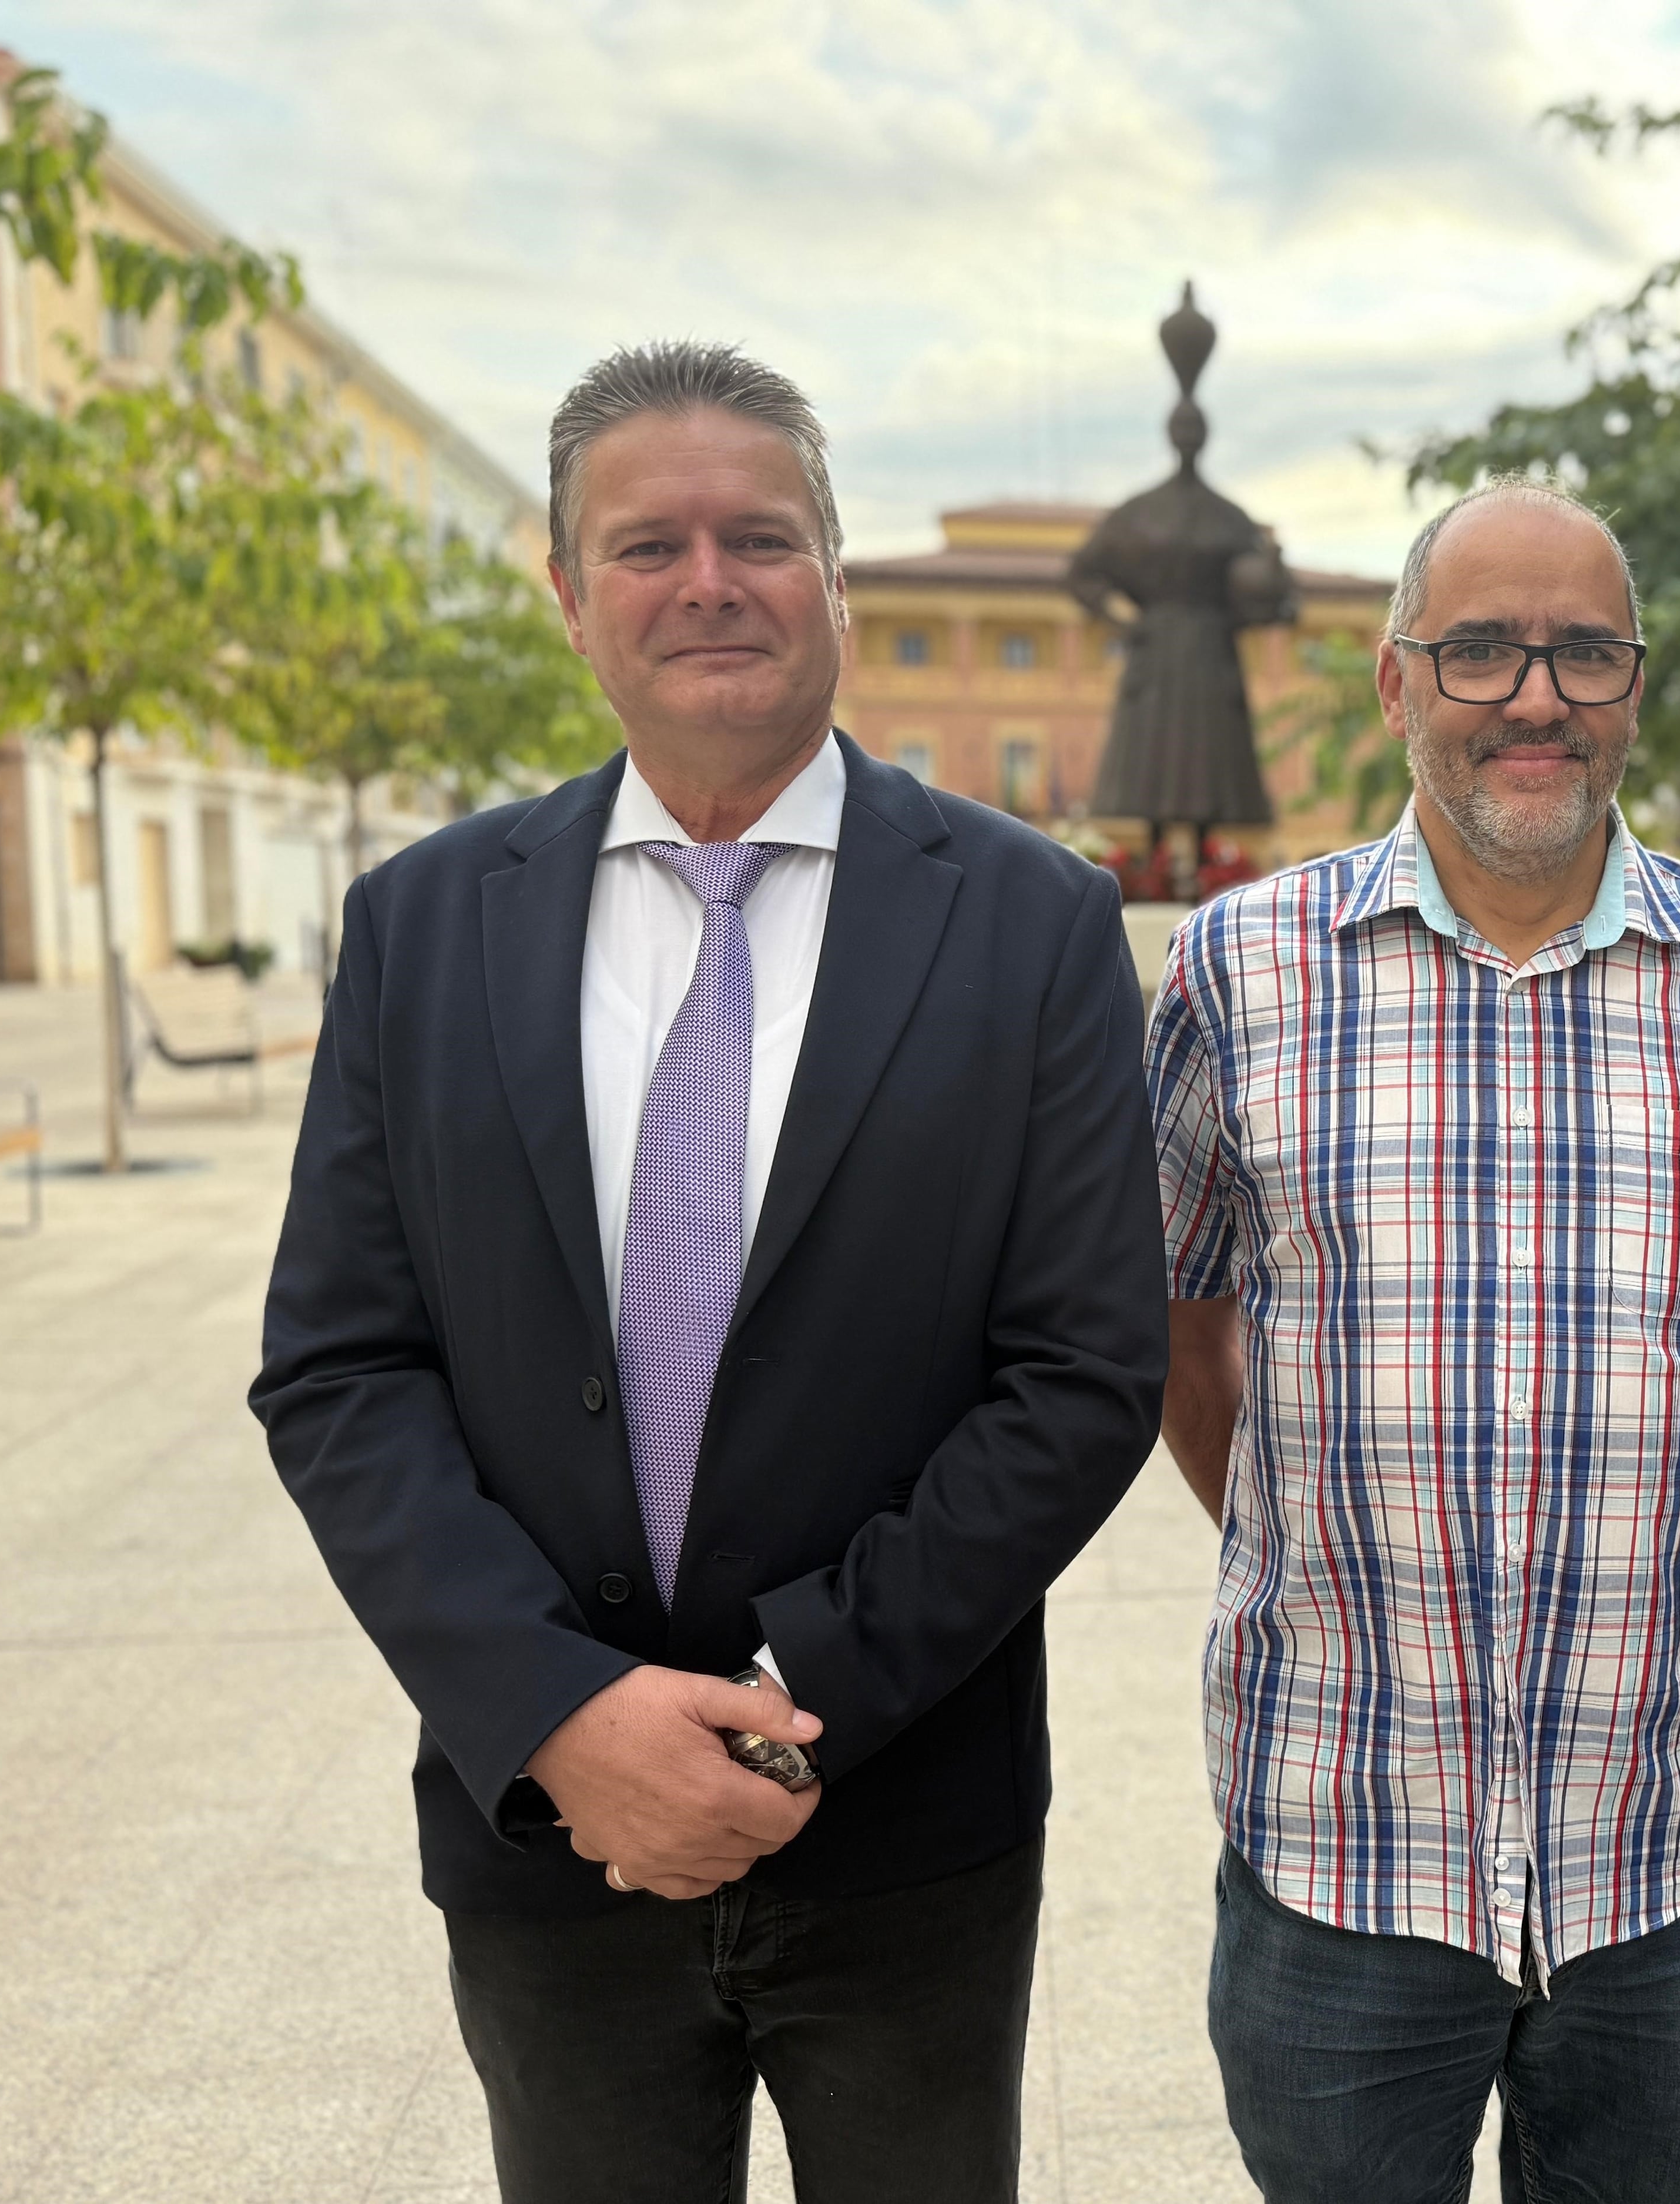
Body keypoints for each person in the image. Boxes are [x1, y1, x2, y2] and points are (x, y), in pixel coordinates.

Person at [250, 341, 1166, 2203]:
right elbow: (341, 1364)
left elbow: (1083, 1370)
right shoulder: (425, 925)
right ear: (570, 596)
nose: (708, 580)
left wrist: (787, 1693)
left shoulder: (1032, 919)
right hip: (543, 1833)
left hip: (904, 1829)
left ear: (834, 571)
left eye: (760, 534)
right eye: (646, 542)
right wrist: (564, 1715)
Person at [1146, 477, 1680, 2204]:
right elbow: (1182, 1331)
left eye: (1584, 651)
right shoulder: (1238, 967)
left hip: (1661, 1835)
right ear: (1399, 685)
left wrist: (1654, 1500)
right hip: (1339, 1834)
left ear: (1637, 688)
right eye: (1480, 648)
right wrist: (1321, 1534)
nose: (1536, 693)